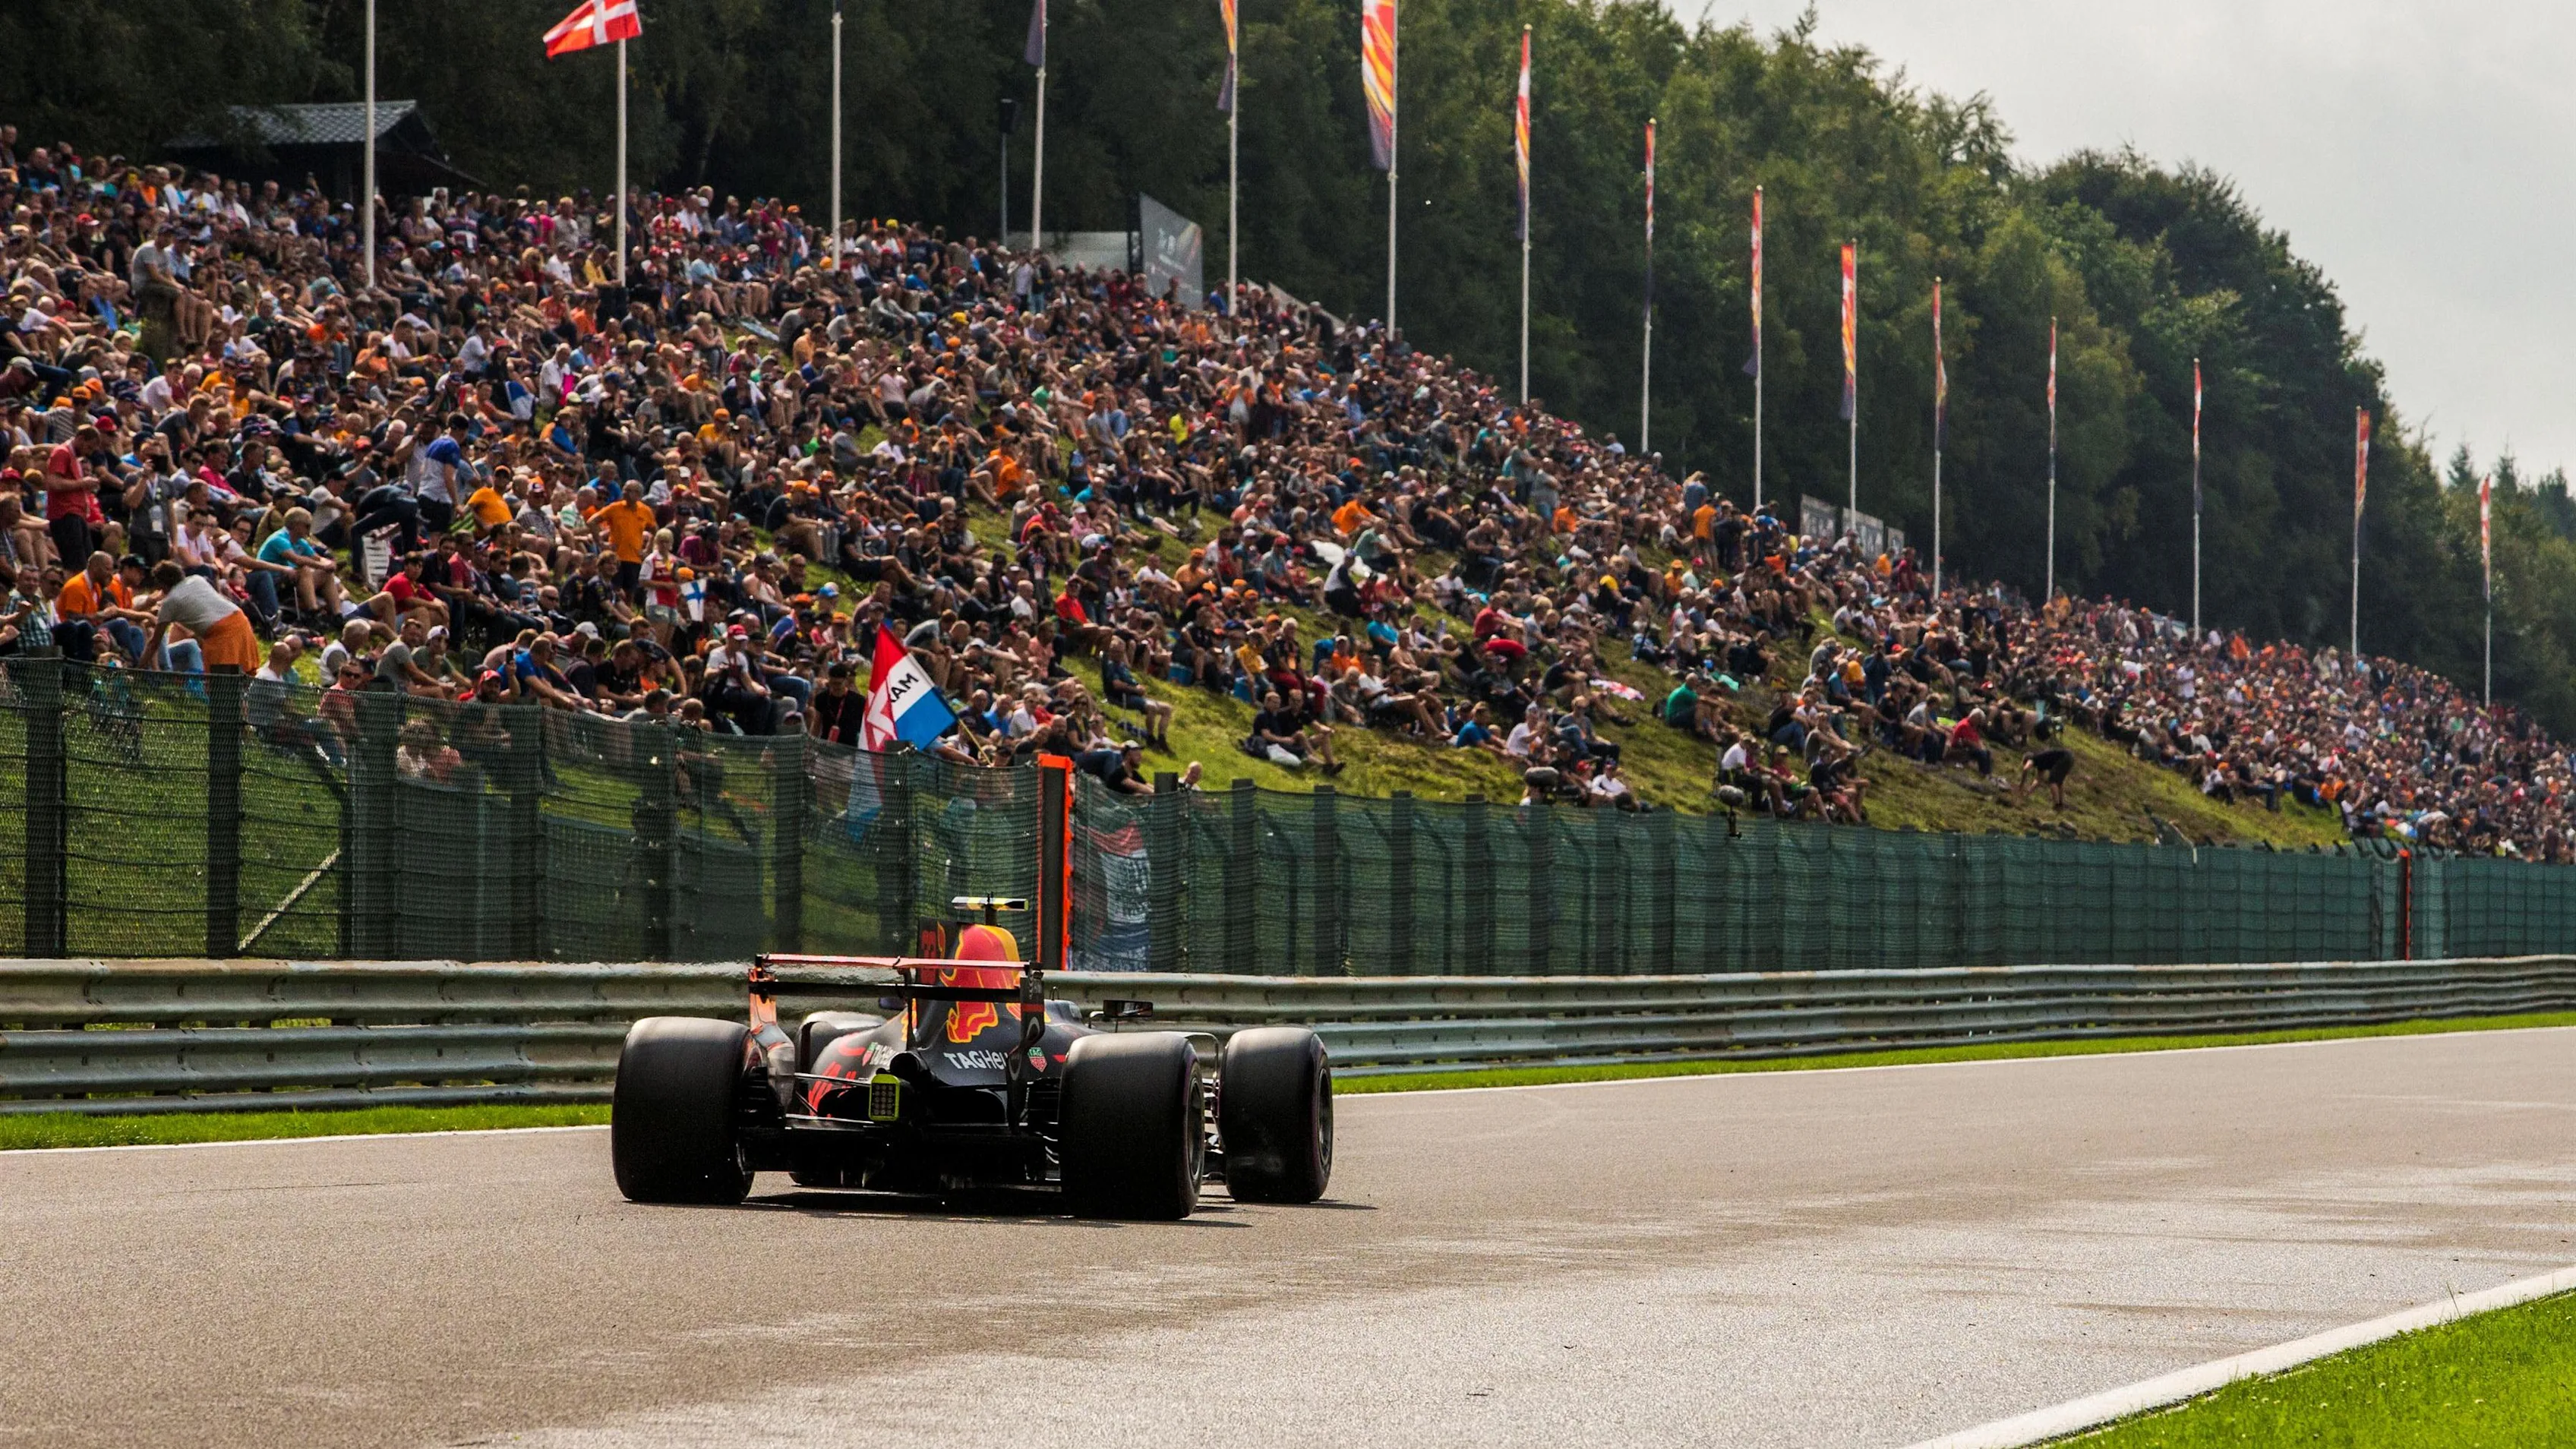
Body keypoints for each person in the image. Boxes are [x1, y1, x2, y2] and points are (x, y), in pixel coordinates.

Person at [2022, 744, 2076, 810]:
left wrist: (2021, 785)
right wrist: (2029, 792)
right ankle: (2061, 803)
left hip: (2065, 757)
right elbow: (2038, 780)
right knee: (2059, 782)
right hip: (2070, 757)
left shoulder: (2034, 758)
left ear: (2027, 760)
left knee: (2052, 781)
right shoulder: (2040, 763)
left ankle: (2057, 805)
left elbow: (2025, 769)